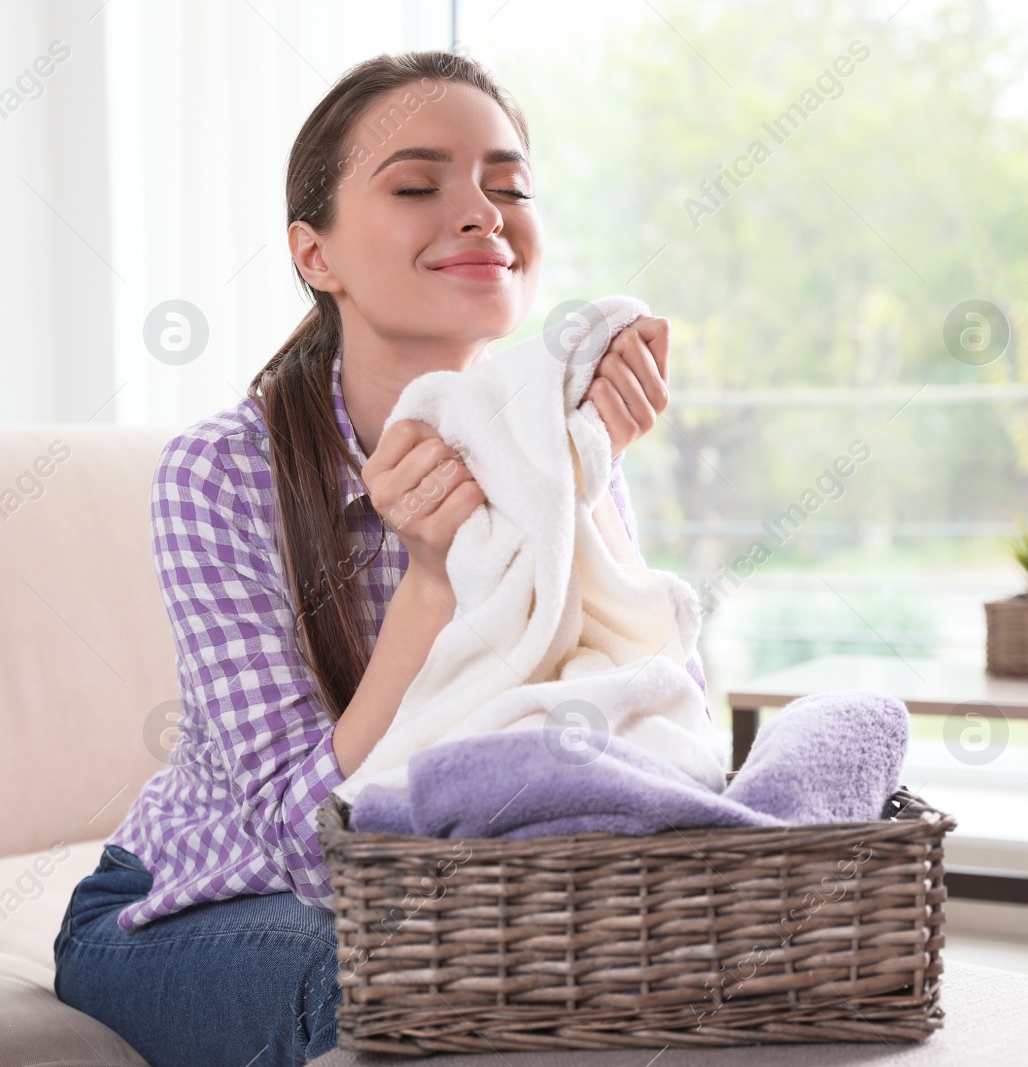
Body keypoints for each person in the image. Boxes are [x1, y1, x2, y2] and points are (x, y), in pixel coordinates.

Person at [53, 48, 671, 1067]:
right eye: (418, 185)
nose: (482, 213)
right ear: (317, 254)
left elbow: (648, 724)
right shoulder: (219, 474)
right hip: (189, 911)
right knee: (411, 982)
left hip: (450, 903)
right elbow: (309, 843)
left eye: (508, 186)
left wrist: (592, 484)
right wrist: (429, 581)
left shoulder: (557, 452)